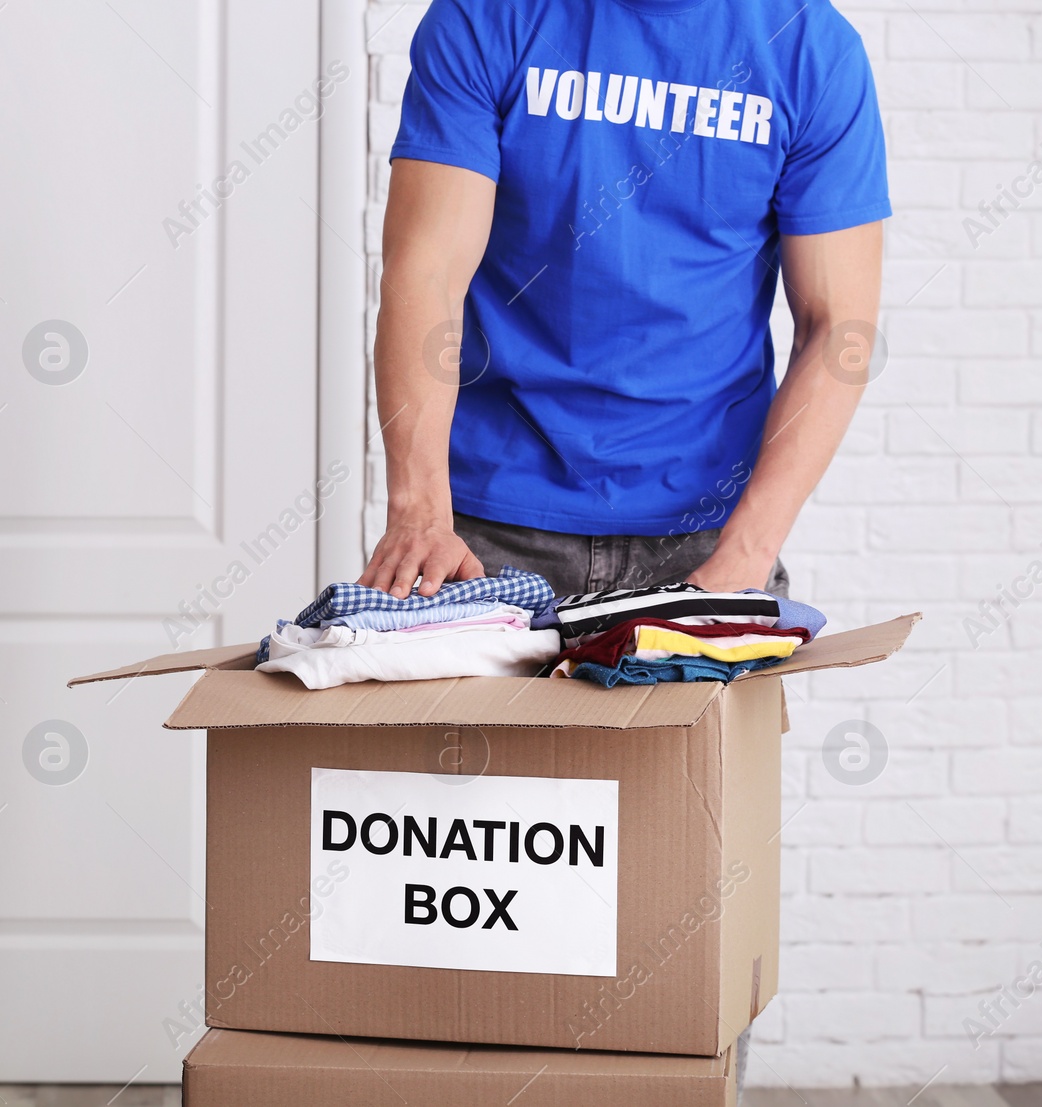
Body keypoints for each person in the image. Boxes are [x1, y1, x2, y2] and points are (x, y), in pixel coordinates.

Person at [356, 0, 888, 1089]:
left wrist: (742, 562)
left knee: (679, 920)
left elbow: (839, 327)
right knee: (479, 916)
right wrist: (418, 507)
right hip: (490, 541)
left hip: (704, 547)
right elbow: (424, 269)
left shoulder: (806, 51)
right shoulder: (489, 20)